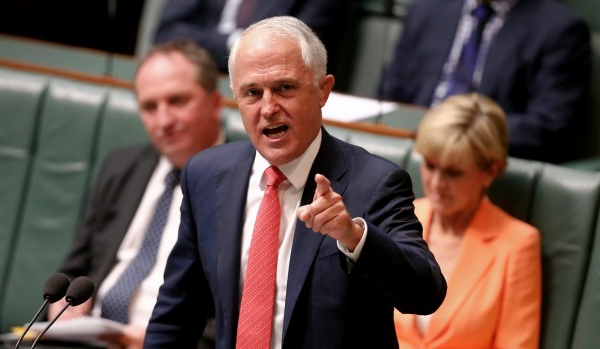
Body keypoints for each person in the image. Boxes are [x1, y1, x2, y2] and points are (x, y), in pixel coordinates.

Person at [144, 15, 447, 349]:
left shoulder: (375, 182)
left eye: (285, 88)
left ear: (323, 91)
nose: (268, 108)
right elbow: (176, 313)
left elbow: (425, 293)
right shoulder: (206, 174)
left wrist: (355, 237)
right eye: (252, 93)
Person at [47, 38, 224, 349]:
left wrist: (165, 339)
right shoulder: (121, 167)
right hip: (86, 339)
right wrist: (65, 307)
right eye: (150, 107)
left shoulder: (250, 184)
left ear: (215, 103)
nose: (164, 121)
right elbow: (75, 267)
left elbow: (240, 316)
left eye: (178, 101)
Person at [395, 93, 542, 348]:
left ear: (491, 172)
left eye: (453, 172)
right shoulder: (398, 217)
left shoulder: (517, 245)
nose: (437, 183)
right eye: (430, 165)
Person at [378, 0, 591, 164]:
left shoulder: (559, 29)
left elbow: (549, 127)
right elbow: (390, 92)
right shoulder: (426, 8)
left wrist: (464, 133)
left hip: (483, 161)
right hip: (409, 147)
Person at [153, 0, 350, 73]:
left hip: (259, 88)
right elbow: (167, 34)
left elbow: (297, 54)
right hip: (190, 73)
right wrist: (234, 43)